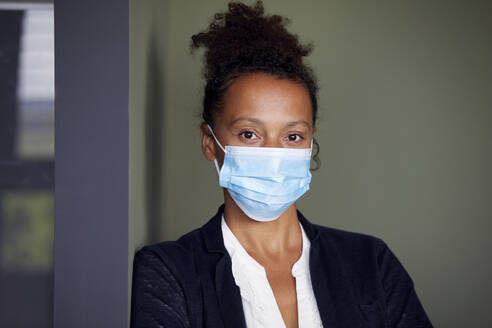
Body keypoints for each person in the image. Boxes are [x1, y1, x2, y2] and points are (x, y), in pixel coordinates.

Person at [130, 1, 433, 327]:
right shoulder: (168, 271)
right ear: (209, 141)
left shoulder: (371, 263)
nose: (274, 155)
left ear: (311, 140)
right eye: (249, 134)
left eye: (292, 137)